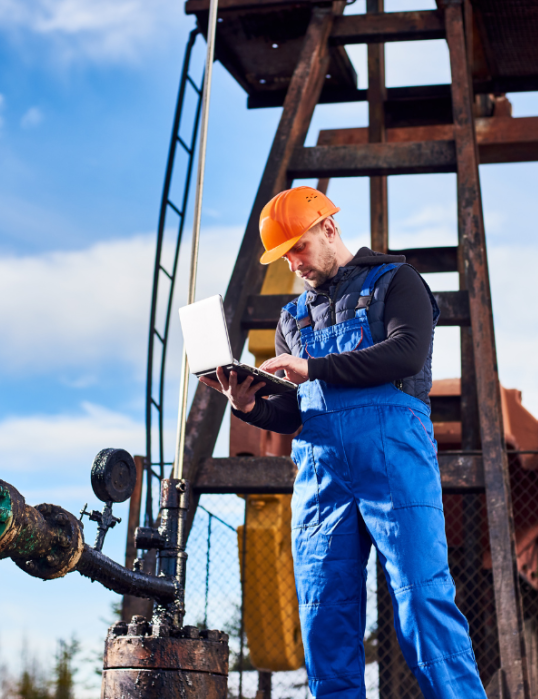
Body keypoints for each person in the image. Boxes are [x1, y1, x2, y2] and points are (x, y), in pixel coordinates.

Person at [200, 186, 487, 699]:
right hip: (320, 478)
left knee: (423, 602)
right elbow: (293, 411)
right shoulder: (292, 319)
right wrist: (248, 405)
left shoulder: (397, 283)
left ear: (329, 229)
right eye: (284, 256)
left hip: (395, 464)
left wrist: (313, 367)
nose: (294, 264)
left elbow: (404, 353)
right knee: (324, 615)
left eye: (299, 248)